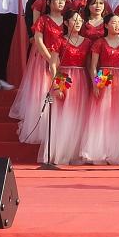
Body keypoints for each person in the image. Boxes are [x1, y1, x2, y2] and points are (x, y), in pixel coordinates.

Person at [10, 0, 67, 143]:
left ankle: (58, 131)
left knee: (61, 93)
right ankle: (41, 130)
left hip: (63, 61)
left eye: (62, 0)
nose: (61, 2)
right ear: (49, 3)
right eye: (57, 0)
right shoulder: (43, 20)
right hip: (44, 60)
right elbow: (38, 41)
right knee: (43, 92)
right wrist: (50, 59)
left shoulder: (68, 20)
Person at [39, 10, 90, 166]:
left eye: (80, 20)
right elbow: (53, 64)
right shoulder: (60, 41)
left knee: (79, 116)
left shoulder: (87, 42)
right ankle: (60, 153)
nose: (78, 23)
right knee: (64, 115)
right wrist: (57, 85)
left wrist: (96, 82)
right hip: (64, 77)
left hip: (81, 80)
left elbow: (90, 65)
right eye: (74, 20)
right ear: (66, 23)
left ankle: (75, 152)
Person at [80, 14, 119, 165]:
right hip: (104, 77)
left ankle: (116, 151)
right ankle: (99, 151)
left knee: (118, 115)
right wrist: (95, 84)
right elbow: (93, 66)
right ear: (106, 25)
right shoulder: (99, 43)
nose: (117, 25)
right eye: (113, 23)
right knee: (101, 114)